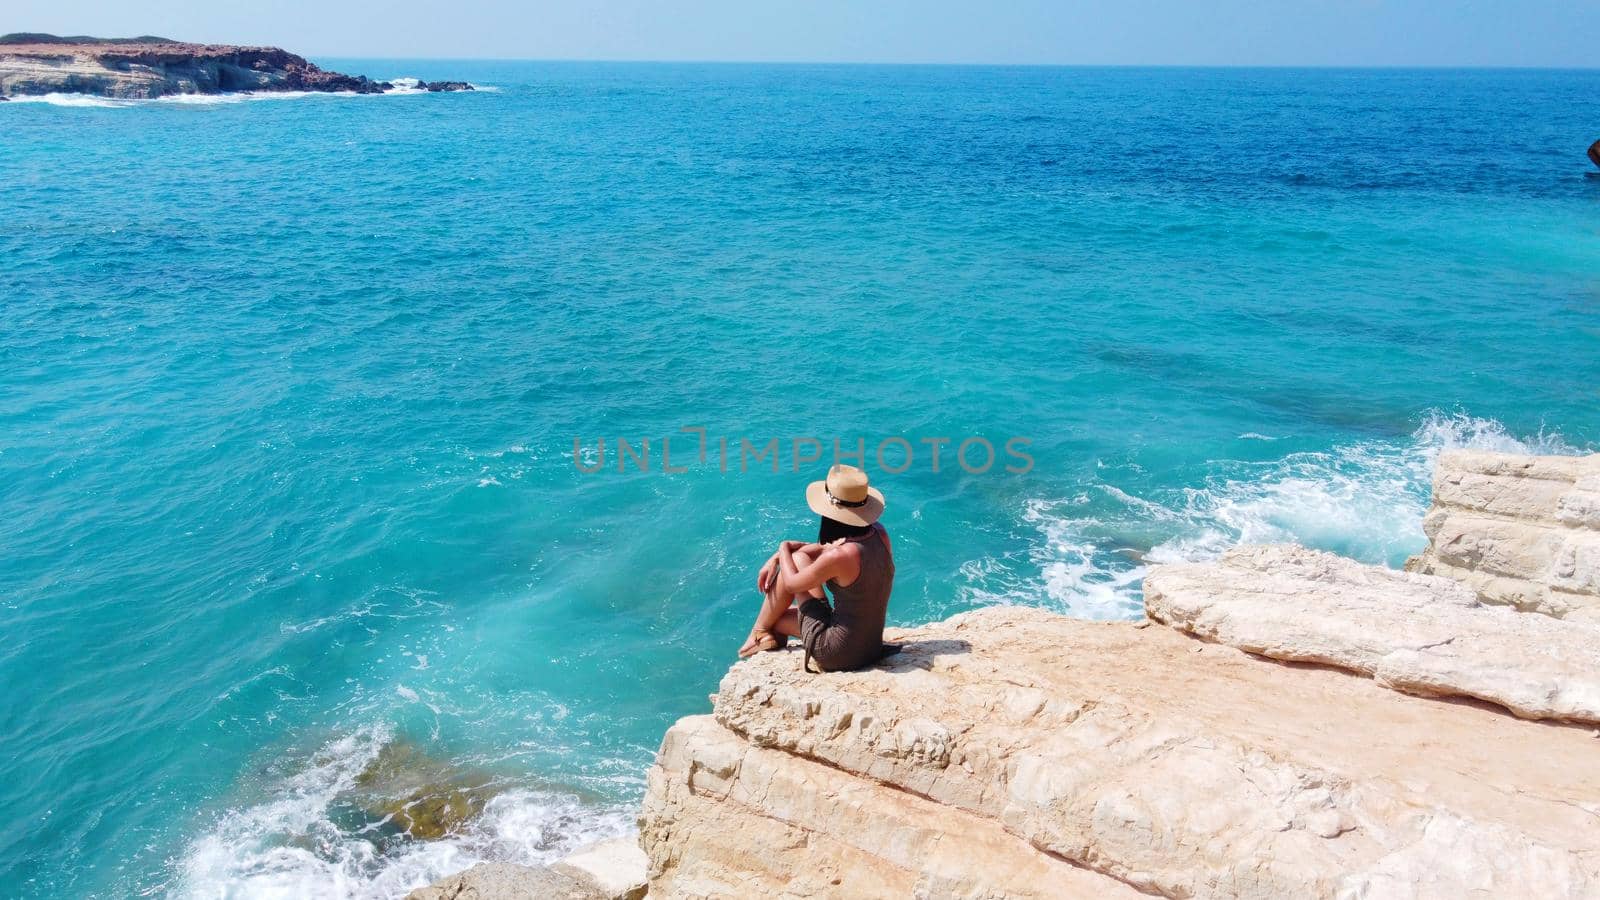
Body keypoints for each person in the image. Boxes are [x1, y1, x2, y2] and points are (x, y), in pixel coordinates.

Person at [738, 464, 897, 672]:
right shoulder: (879, 534)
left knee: (795, 560)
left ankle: (759, 632)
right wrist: (779, 557)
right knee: (780, 612)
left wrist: (782, 548)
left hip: (837, 654)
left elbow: (793, 584)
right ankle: (763, 634)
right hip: (871, 648)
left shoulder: (839, 556)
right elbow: (825, 548)